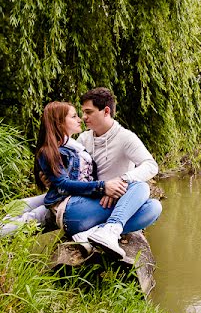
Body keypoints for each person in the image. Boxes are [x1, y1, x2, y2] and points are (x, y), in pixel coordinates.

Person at [32, 100, 161, 258]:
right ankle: (108, 231)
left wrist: (118, 183)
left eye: (88, 112)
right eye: (79, 114)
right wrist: (104, 187)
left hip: (110, 199)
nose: (83, 117)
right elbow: (67, 180)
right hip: (82, 203)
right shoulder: (81, 142)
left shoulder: (125, 138)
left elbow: (151, 165)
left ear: (106, 111)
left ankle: (93, 234)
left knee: (153, 207)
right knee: (142, 187)